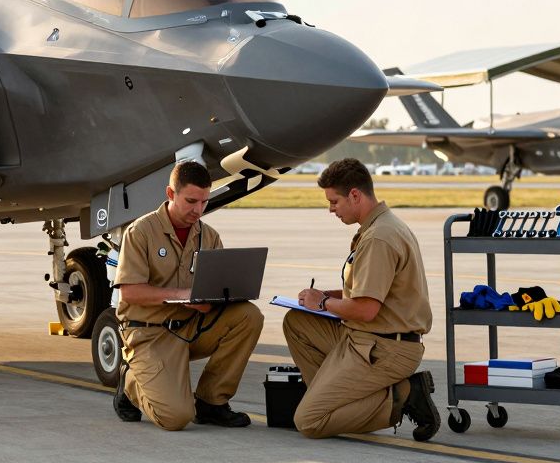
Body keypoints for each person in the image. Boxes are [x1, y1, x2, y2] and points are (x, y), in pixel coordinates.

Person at [281, 158, 440, 441]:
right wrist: (327, 296)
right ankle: (336, 397)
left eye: (334, 201)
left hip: (385, 348)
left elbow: (366, 309)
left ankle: (401, 395)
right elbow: (374, 293)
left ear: (355, 195)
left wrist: (321, 303)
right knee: (297, 322)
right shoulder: (380, 226)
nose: (330, 209)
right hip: (365, 338)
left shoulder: (379, 237)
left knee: (309, 421)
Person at [112, 160, 264, 430]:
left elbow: (215, 285)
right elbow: (130, 293)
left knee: (249, 316)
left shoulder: (209, 236)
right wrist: (182, 294)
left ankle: (211, 403)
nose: (198, 210)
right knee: (176, 418)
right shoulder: (141, 232)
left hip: (191, 327)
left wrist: (219, 298)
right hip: (149, 334)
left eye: (204, 202)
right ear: (170, 194)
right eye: (191, 201)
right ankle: (131, 384)